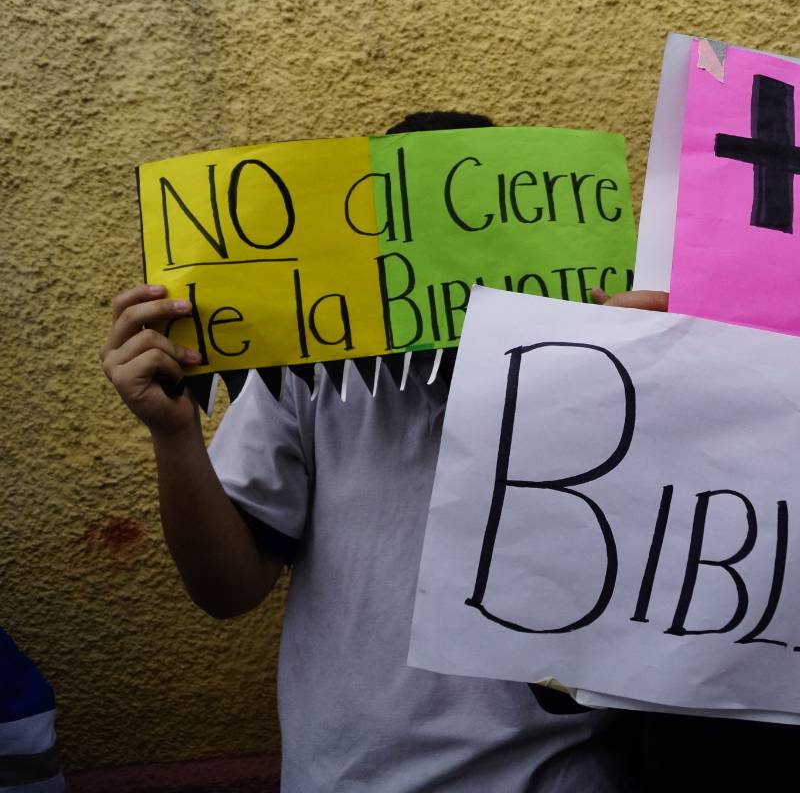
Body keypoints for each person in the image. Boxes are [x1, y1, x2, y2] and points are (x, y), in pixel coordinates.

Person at [101, 112, 640, 793]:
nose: (458, 257)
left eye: (480, 225)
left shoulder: (600, 375)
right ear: (378, 241)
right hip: (349, 778)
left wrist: (658, 371)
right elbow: (227, 590)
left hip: (562, 775)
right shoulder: (306, 378)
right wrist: (174, 437)